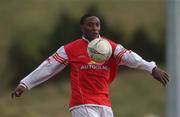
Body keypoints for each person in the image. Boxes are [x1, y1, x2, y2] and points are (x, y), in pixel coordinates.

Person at [11, 14, 169, 117]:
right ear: (82, 27)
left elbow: (130, 57)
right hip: (82, 104)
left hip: (104, 104)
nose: (94, 28)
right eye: (90, 25)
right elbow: (48, 66)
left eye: (97, 25)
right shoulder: (70, 49)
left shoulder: (110, 47)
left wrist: (152, 68)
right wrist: (25, 83)